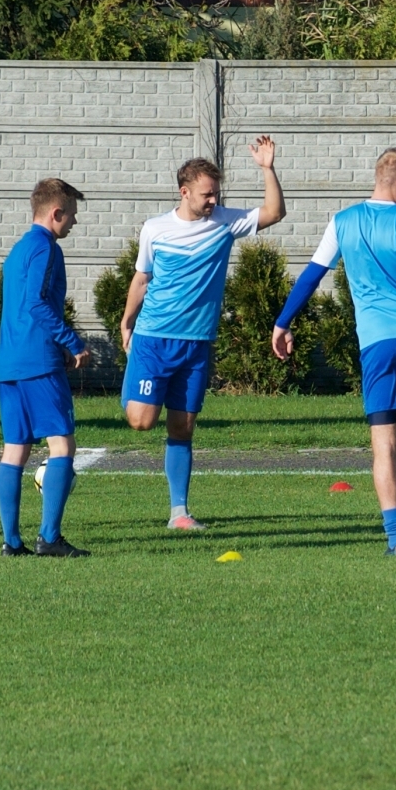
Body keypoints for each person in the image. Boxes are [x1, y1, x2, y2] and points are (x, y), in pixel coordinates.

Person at [271, 147, 396, 554]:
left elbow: (312, 275)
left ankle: (395, 540)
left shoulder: (342, 222)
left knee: (385, 447)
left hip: (376, 343)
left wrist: (282, 321)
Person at [118, 141, 286, 531]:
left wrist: (267, 167)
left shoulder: (225, 223)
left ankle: (180, 513)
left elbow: (275, 212)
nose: (213, 200)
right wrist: (127, 321)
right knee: (141, 421)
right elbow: (141, 279)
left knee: (183, 427)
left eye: (216, 193)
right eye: (206, 193)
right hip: (154, 339)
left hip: (196, 344)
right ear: (184, 192)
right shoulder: (155, 229)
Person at [0, 179, 93, 557]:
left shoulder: (18, 250)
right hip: (38, 362)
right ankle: (50, 538)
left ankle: (11, 541)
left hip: (10, 363)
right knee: (62, 443)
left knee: (14, 450)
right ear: (56, 213)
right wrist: (71, 341)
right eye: (72, 217)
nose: (73, 224)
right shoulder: (46, 249)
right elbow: (36, 303)